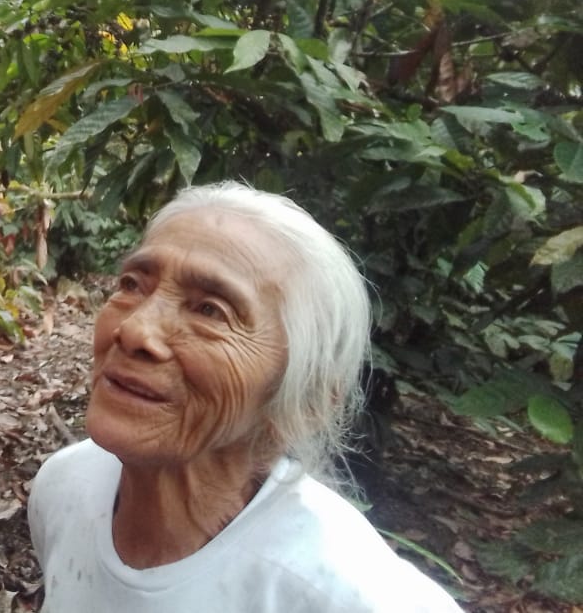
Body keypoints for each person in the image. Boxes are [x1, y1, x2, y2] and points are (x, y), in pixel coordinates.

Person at [28, 182, 463, 612]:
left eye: (210, 310)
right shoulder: (64, 486)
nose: (134, 330)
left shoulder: (345, 594)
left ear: (307, 402)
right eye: (132, 284)